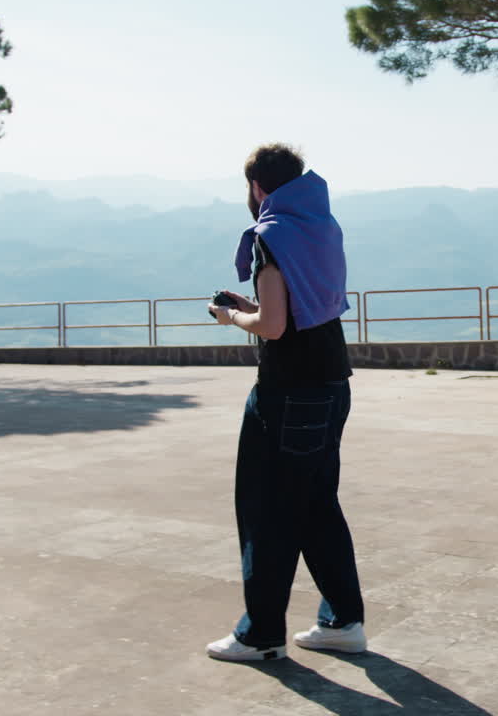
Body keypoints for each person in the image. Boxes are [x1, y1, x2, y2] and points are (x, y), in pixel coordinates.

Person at [205, 144, 366, 662]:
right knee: (317, 505)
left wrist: (233, 318)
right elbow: (296, 310)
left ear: (257, 189)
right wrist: (253, 308)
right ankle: (343, 620)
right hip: (330, 384)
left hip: (288, 393)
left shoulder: (271, 238)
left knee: (267, 510)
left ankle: (261, 634)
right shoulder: (320, 227)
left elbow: (273, 327)